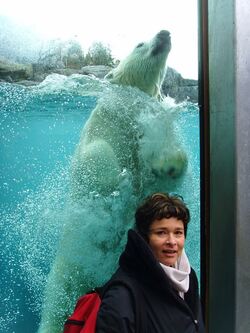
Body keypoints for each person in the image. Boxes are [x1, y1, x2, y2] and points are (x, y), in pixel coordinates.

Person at [96, 192, 205, 333]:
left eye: (178, 232)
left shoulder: (188, 279)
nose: (172, 242)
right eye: (161, 233)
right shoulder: (122, 294)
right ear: (144, 237)